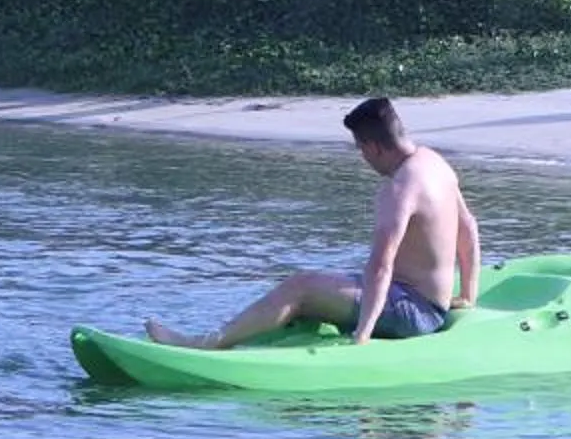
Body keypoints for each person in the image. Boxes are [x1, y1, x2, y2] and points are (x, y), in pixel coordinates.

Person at [146, 96, 480, 348]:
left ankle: (206, 343)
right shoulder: (435, 164)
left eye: (361, 149)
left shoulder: (399, 190)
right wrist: (467, 294)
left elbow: (381, 266)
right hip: (428, 304)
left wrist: (362, 334)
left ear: (374, 147)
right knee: (319, 284)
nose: (362, 157)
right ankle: (259, 336)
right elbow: (468, 230)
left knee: (301, 285)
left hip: (413, 314)